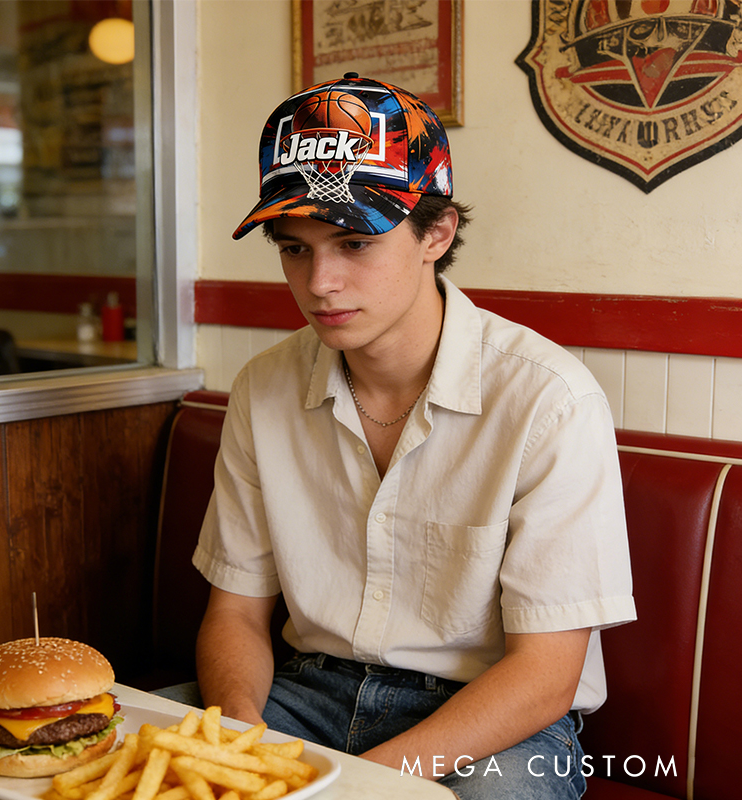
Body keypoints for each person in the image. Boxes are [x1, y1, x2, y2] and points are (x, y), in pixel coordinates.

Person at [191, 73, 636, 799]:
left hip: (495, 720)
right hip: (303, 692)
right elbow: (236, 611)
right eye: (293, 248)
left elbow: (545, 675)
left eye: (353, 241)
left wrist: (353, 785)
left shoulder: (548, 399)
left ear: (437, 232)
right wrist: (241, 733)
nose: (320, 282)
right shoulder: (263, 388)